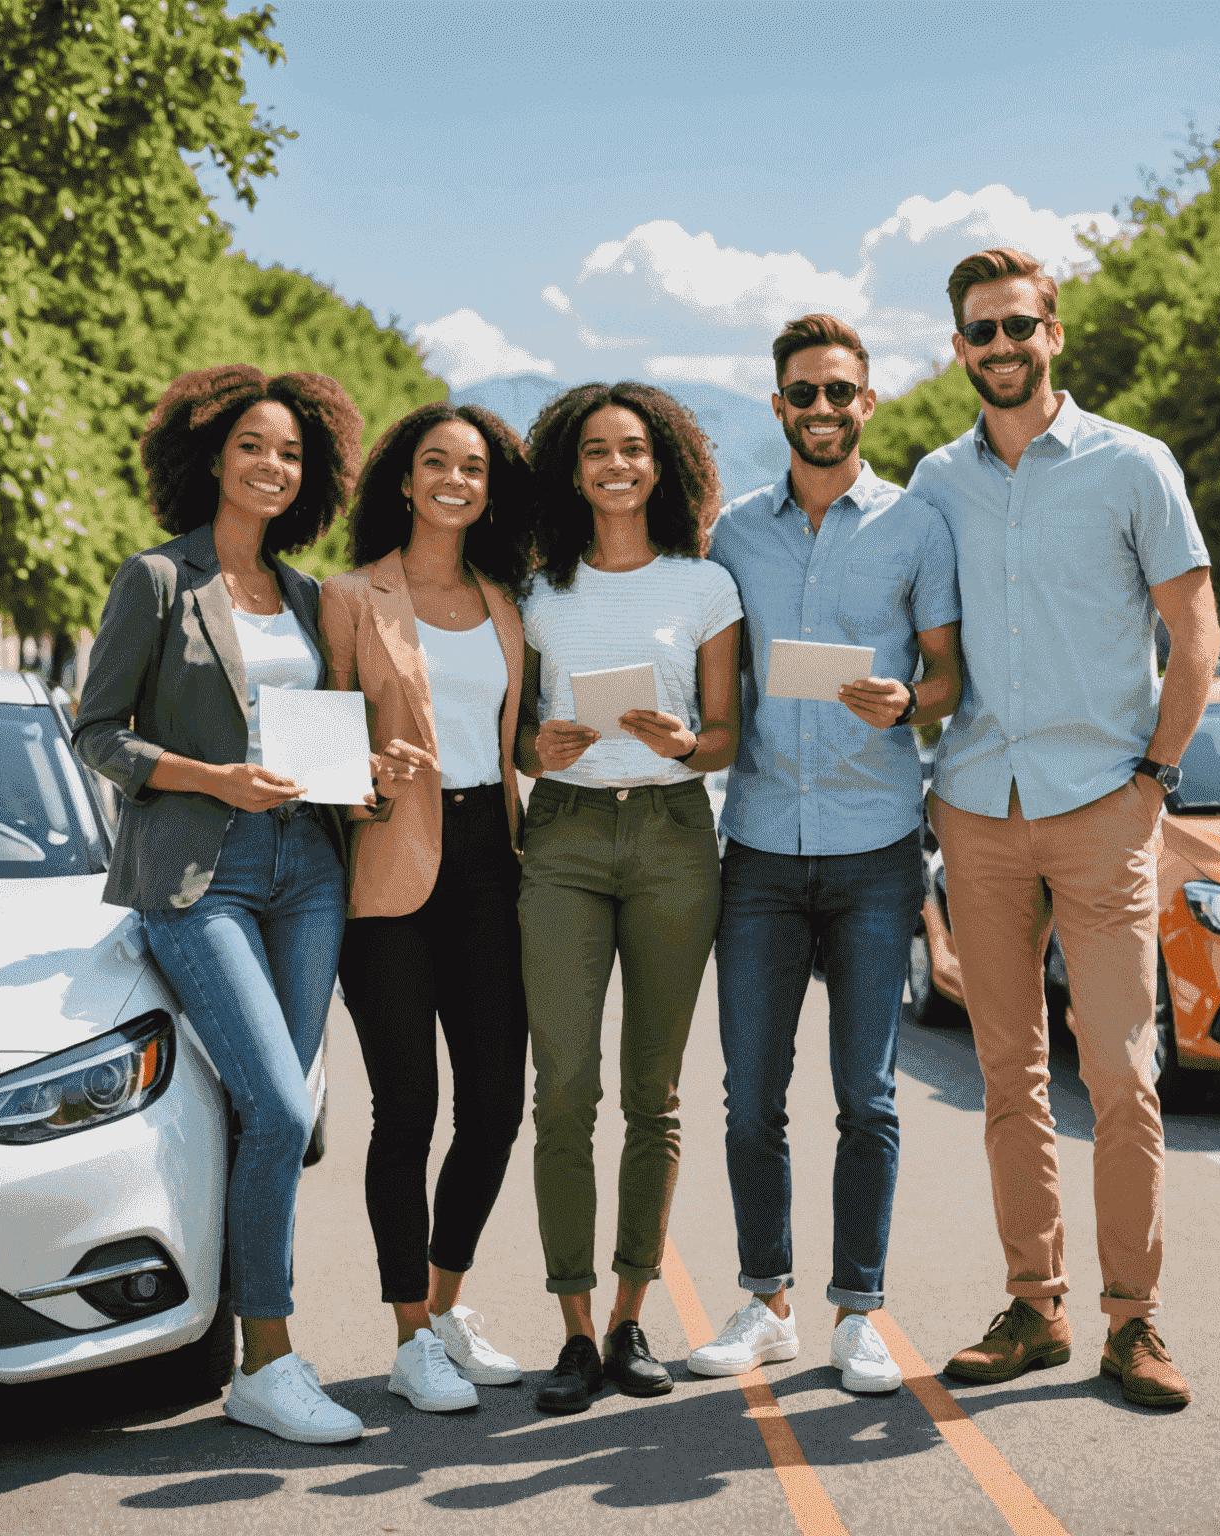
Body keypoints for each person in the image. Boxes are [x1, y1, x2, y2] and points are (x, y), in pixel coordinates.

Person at [908, 247, 1220, 1409]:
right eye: (980, 331)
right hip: (978, 809)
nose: (1001, 347)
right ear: (957, 349)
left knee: (1123, 1071)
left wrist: (1154, 779)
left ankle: (1134, 1322)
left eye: (1018, 326)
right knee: (1006, 1072)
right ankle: (1033, 1307)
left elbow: (1196, 634)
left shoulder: (1134, 465)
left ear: (1055, 332)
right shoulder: (933, 484)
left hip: (1103, 809)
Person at [73, 365, 365, 1443]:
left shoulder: (303, 594)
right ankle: (270, 1356)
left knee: (274, 1120)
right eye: (254, 446)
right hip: (201, 875)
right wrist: (214, 778)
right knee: (283, 1109)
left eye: (291, 452)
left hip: (308, 870)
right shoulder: (154, 579)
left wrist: (374, 765)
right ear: (210, 455)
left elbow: (313, 737)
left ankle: (255, 1355)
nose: (272, 466)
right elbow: (97, 735)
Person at [687, 315, 960, 1394]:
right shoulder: (732, 537)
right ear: (778, 408)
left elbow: (945, 677)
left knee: (868, 1098)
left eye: (840, 393)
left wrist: (909, 701)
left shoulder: (916, 527)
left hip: (875, 849)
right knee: (749, 1097)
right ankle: (766, 1304)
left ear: (867, 403)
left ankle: (860, 1311)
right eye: (803, 394)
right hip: (756, 846)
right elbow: (714, 684)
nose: (823, 411)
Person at [515, 381, 742, 1414]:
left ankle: (628, 1318)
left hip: (670, 838)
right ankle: (569, 1327)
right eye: (597, 450)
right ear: (572, 468)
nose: (617, 464)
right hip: (562, 837)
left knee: (654, 1095)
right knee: (563, 1090)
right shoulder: (535, 593)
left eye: (635, 449)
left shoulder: (705, 586)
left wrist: (686, 741)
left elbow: (730, 734)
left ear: (665, 465)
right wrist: (538, 748)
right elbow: (512, 734)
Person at [320, 401, 535, 1415]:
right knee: (407, 1107)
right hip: (389, 864)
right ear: (402, 481)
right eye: (435, 463)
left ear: (491, 488)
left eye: (474, 467)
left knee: (496, 1102)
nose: (455, 479)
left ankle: (448, 1307)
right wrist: (363, 765)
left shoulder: (506, 601)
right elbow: (312, 744)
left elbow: (513, 735)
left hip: (494, 856)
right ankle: (408, 1335)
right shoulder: (350, 596)